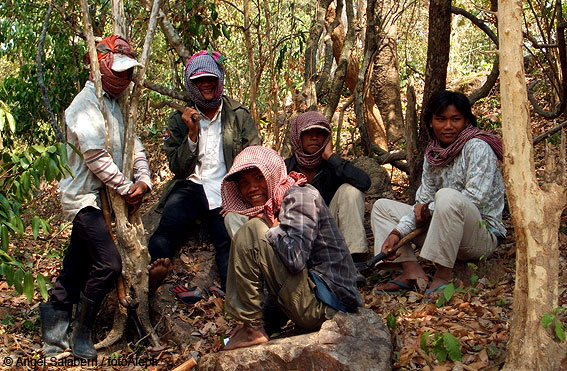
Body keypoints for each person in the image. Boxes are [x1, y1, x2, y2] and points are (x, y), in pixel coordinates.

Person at [40, 35, 151, 360]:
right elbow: (96, 157)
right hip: (85, 199)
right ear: (101, 66)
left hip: (108, 197)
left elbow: (135, 146)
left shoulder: (118, 107)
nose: (126, 78)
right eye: (120, 71)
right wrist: (124, 186)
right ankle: (81, 334)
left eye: (129, 72)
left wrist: (142, 180)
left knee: (77, 263)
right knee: (108, 263)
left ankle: (53, 333)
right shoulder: (84, 104)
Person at [221, 146, 363, 350]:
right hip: (316, 301)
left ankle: (250, 327)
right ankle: (251, 326)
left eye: (258, 178)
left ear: (272, 174)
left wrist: (270, 225)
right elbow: (283, 277)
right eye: (244, 183)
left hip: (330, 306)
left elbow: (294, 259)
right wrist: (268, 325)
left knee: (252, 229)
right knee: (253, 228)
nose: (252, 188)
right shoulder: (278, 203)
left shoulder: (301, 196)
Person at [371, 90, 506, 293]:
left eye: (456, 119)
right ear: (431, 122)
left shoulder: (477, 147)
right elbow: (422, 203)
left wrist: (428, 209)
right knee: (381, 207)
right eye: (441, 119)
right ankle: (411, 271)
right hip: (444, 232)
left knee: (447, 196)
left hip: (479, 237)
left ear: (467, 121)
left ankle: (442, 277)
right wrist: (397, 233)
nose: (448, 126)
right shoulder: (433, 154)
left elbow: (475, 200)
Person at [148, 50, 260, 292]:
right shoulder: (179, 119)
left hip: (227, 186)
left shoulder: (238, 115)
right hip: (192, 185)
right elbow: (176, 168)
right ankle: (156, 269)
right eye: (200, 81)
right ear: (192, 84)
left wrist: (243, 193)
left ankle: (235, 298)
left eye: (211, 79)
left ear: (219, 80)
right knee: (169, 222)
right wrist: (191, 134)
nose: (206, 85)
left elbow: (254, 154)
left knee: (225, 238)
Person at [282, 111, 370, 260]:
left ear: (326, 138)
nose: (314, 137)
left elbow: (364, 182)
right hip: (297, 233)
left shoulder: (333, 166)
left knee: (350, 191)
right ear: (298, 137)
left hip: (330, 231)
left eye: (320, 133)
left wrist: (330, 157)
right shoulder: (285, 168)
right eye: (308, 132)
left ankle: (354, 259)